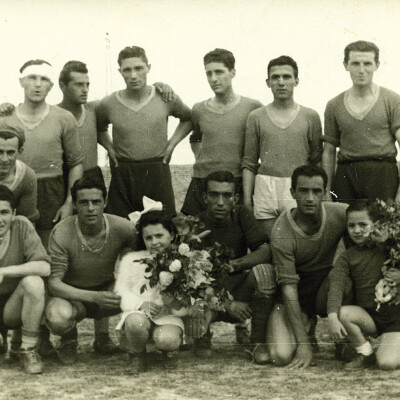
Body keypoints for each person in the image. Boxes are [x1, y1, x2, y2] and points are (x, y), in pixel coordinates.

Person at [44, 177, 137, 365]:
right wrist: (93, 297)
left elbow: (138, 261)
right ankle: (69, 340)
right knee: (57, 315)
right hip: (73, 295)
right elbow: (54, 283)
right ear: (76, 205)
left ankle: (117, 337)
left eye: (96, 202)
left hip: (108, 291)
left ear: (105, 202)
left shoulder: (124, 228)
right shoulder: (62, 232)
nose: (91, 208)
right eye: (84, 202)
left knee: (137, 289)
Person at [267, 164, 349, 368]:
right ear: (292, 192)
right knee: (281, 355)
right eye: (303, 191)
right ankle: (306, 325)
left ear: (324, 192)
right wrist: (304, 345)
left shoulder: (340, 214)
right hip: (294, 293)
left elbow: (373, 221)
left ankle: (346, 341)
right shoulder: (281, 230)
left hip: (324, 288)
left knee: (347, 278)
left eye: (316, 191)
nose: (310, 198)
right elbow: (288, 289)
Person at [96, 46, 192, 218]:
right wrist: (110, 149)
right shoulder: (108, 103)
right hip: (124, 171)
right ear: (120, 72)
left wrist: (171, 146)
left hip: (157, 169)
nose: (133, 75)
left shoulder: (165, 97)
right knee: (122, 225)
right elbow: (99, 127)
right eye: (127, 70)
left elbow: (188, 118)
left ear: (148, 67)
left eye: (139, 68)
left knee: (163, 225)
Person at [190, 170, 275, 358]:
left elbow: (265, 250)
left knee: (265, 272)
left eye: (226, 195)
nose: (220, 202)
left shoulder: (242, 215)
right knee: (192, 294)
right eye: (214, 195)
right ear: (205, 197)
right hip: (208, 295)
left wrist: (236, 264)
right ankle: (202, 336)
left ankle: (257, 341)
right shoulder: (195, 225)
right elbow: (190, 281)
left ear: (235, 198)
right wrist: (227, 304)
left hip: (238, 288)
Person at [1, 59, 83, 248]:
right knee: (9, 246)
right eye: (32, 78)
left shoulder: (63, 117)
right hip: (11, 186)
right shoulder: (5, 116)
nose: (38, 84)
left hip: (50, 190)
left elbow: (76, 163)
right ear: (22, 81)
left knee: (48, 249)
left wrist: (70, 202)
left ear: (51, 85)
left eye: (44, 79)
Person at [242, 56, 322, 236]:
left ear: (296, 80)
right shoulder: (256, 117)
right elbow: (249, 162)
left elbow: (316, 161)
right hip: (265, 185)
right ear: (268, 82)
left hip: (297, 186)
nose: (281, 82)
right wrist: (247, 200)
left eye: (286, 77)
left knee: (298, 241)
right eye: (275, 77)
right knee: (270, 244)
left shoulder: (310, 116)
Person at [179, 48, 263, 216]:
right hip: (203, 180)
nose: (214, 79)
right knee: (194, 234)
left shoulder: (252, 107)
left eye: (219, 72)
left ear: (232, 72)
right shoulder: (199, 109)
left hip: (237, 180)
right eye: (209, 74)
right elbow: (194, 137)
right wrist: (202, 159)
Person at [322, 40, 400, 204]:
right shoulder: (334, 104)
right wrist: (327, 190)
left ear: (377, 65)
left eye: (367, 63)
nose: (361, 70)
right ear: (346, 65)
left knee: (383, 225)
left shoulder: (392, 100)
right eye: (355, 63)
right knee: (345, 225)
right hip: (346, 174)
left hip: (383, 173)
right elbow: (329, 151)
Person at [327, 200, 400, 371]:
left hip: (396, 316)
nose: (357, 230)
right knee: (342, 312)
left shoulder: (390, 247)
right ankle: (366, 352)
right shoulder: (347, 257)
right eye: (351, 225)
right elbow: (336, 286)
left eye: (363, 224)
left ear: (376, 224)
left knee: (387, 363)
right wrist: (331, 317)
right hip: (370, 317)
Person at [114, 206, 187, 374]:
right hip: (139, 314)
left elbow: (188, 298)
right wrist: (140, 304)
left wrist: (175, 302)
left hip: (168, 316)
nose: (154, 242)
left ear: (172, 234)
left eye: (159, 235)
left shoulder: (182, 262)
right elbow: (121, 292)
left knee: (166, 339)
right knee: (135, 323)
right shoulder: (132, 260)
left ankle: (169, 351)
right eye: (148, 238)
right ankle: (138, 354)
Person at [0, 185, 50, 374]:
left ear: (13, 213)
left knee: (34, 282)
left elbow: (44, 267)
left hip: (13, 305)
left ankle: (28, 348)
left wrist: (5, 271)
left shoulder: (21, 225)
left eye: (4, 212)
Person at [0, 121, 38, 222]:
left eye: (10, 152)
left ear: (20, 151)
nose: (4, 159)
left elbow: (27, 222)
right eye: (0, 152)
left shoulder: (27, 176)